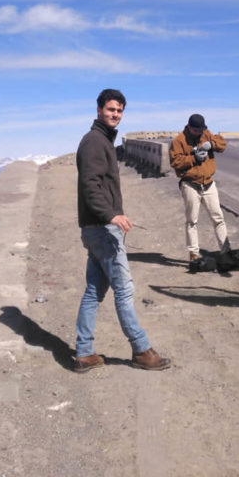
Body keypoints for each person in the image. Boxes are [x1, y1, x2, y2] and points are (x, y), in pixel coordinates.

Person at [73, 88, 172, 373]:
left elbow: (97, 186)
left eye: (119, 111)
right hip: (103, 229)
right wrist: (111, 215)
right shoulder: (94, 142)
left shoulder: (101, 140)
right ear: (99, 110)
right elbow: (90, 186)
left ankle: (84, 352)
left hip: (95, 229)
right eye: (111, 109)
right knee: (124, 290)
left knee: (93, 291)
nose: (115, 114)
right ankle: (141, 350)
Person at [169, 113, 230, 263]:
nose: (199, 133)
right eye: (196, 130)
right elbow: (175, 162)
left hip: (209, 184)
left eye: (201, 130)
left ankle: (227, 252)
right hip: (190, 185)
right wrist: (193, 158)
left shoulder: (206, 134)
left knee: (218, 218)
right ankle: (194, 254)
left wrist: (212, 144)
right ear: (189, 127)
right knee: (192, 221)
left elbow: (222, 145)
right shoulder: (179, 141)